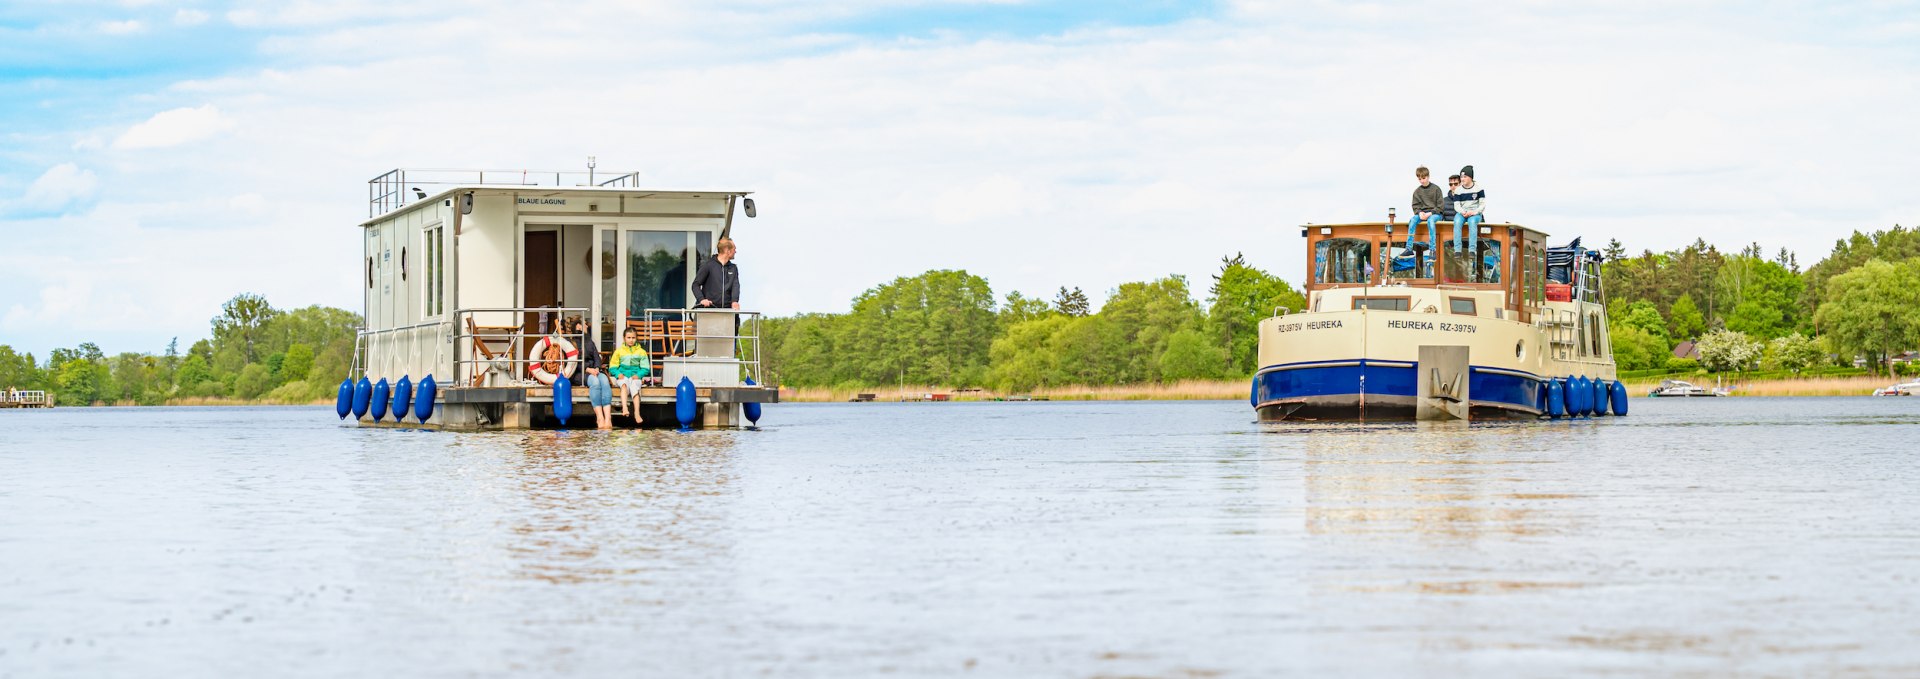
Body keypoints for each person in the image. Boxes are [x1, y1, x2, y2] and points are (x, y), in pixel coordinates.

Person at [571, 318, 613, 430]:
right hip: (580, 373)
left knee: (604, 380)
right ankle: (600, 417)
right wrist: (587, 369)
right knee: (595, 382)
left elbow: (596, 357)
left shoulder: (590, 341)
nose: (587, 326)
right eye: (585, 324)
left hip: (593, 370)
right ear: (578, 326)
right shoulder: (572, 342)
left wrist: (597, 368)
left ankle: (608, 418)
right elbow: (573, 362)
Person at [608, 326, 652, 426]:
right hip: (622, 376)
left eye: (633, 338)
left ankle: (637, 413)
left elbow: (645, 368)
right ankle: (625, 408)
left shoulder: (642, 352)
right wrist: (618, 374)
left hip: (635, 377)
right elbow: (612, 367)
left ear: (636, 338)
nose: (631, 340)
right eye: (628, 338)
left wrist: (638, 375)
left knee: (634, 388)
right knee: (624, 385)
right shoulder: (619, 351)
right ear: (624, 338)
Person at [692, 238, 740, 310]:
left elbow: (735, 286)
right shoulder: (708, 265)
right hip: (709, 311)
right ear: (728, 250)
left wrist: (735, 301)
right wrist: (701, 300)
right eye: (734, 249)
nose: (735, 251)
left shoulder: (733, 268)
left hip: (728, 312)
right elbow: (695, 285)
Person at [1451, 165, 1485, 256]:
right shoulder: (1458, 190)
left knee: (1472, 222)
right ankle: (1457, 250)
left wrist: (1474, 212)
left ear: (1470, 177)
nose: (1462, 179)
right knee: (1457, 221)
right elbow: (1456, 205)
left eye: (1464, 177)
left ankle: (1472, 250)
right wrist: (1463, 212)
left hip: (1475, 213)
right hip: (1462, 212)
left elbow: (1482, 205)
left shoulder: (1479, 188)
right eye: (1461, 177)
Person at [1408, 166, 1443, 250]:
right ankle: (1408, 248)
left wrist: (1430, 213)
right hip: (1422, 214)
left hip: (1435, 214)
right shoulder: (1417, 191)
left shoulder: (1436, 189)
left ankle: (1432, 249)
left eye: (1424, 178)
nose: (1422, 181)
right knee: (1412, 220)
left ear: (1428, 176)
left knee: (1430, 221)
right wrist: (1420, 212)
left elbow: (1440, 207)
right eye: (1419, 179)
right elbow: (1415, 206)